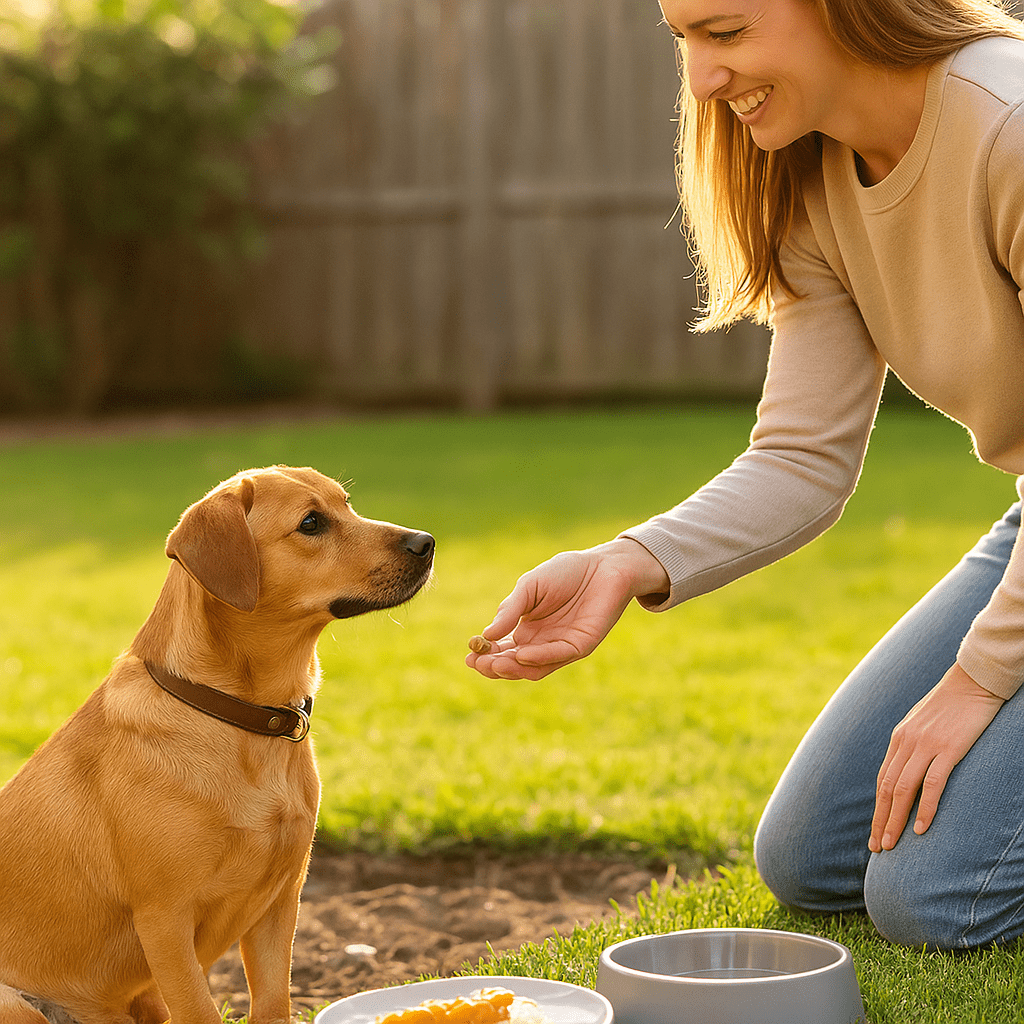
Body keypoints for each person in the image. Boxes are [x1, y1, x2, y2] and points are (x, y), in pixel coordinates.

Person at [467, 0, 1024, 950]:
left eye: (725, 34)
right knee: (812, 855)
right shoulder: (810, 169)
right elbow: (802, 457)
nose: (700, 81)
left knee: (937, 899)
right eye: (682, 39)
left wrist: (978, 679)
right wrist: (629, 560)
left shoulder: (1006, 129)